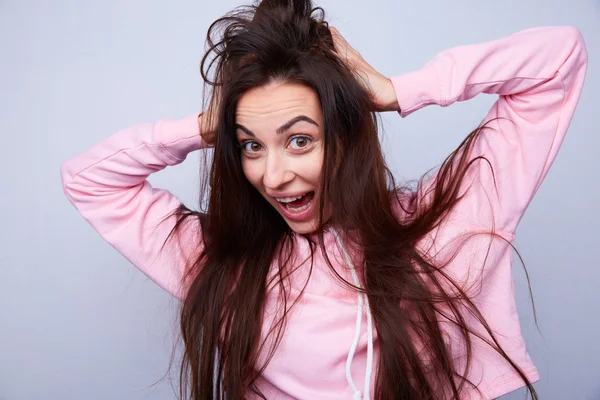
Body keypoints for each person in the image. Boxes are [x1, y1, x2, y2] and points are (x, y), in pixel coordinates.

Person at [60, 0, 588, 399]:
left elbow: (557, 59)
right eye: (250, 146)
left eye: (299, 140)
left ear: (346, 134)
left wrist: (397, 90)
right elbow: (89, 179)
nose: (273, 174)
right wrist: (208, 125)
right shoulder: (222, 264)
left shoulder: (442, 228)